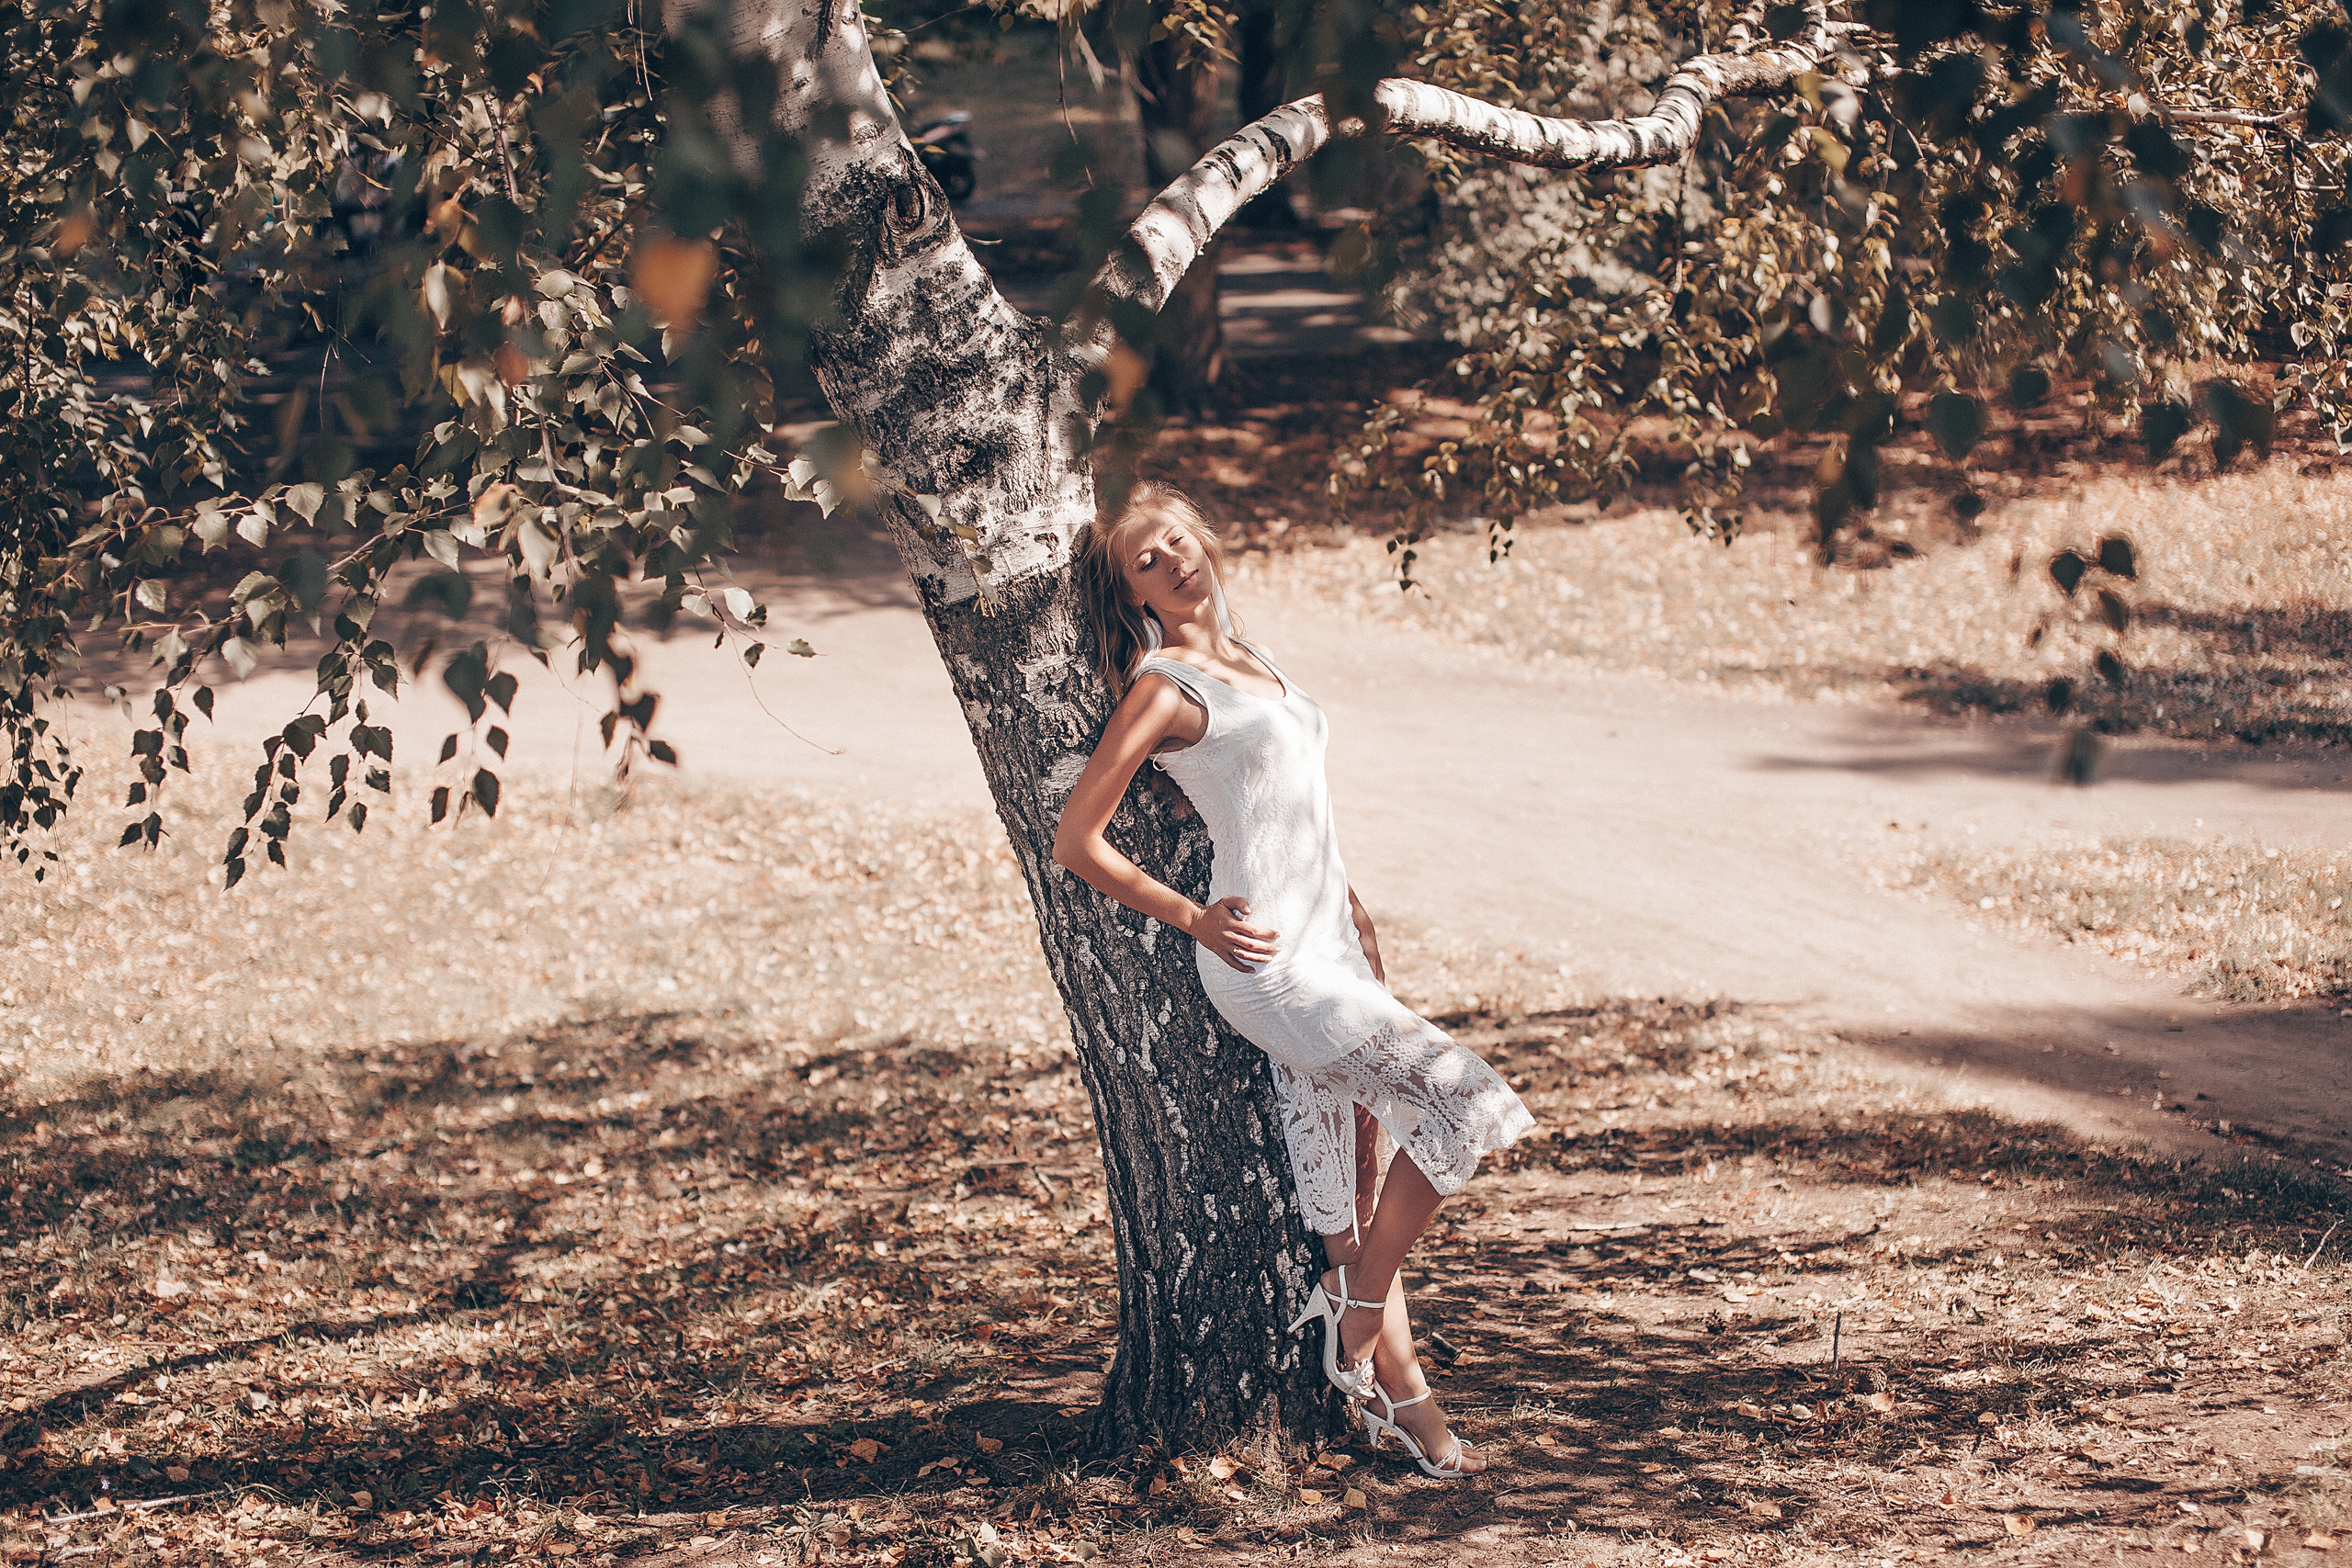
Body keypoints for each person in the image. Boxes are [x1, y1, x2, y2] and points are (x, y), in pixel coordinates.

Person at [1051, 481, 1536, 1479]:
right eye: (1146, 561)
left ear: (1204, 540)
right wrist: (1192, 916)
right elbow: (1076, 841)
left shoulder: (1256, 661)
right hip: (1265, 964)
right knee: (1467, 1101)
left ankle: (1401, 1399)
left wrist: (1356, 921)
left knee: (1345, 1190)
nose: (1173, 562)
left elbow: (1298, 810)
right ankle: (1356, 1305)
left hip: (1333, 944)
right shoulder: (1164, 688)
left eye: (1177, 540)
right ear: (1132, 594)